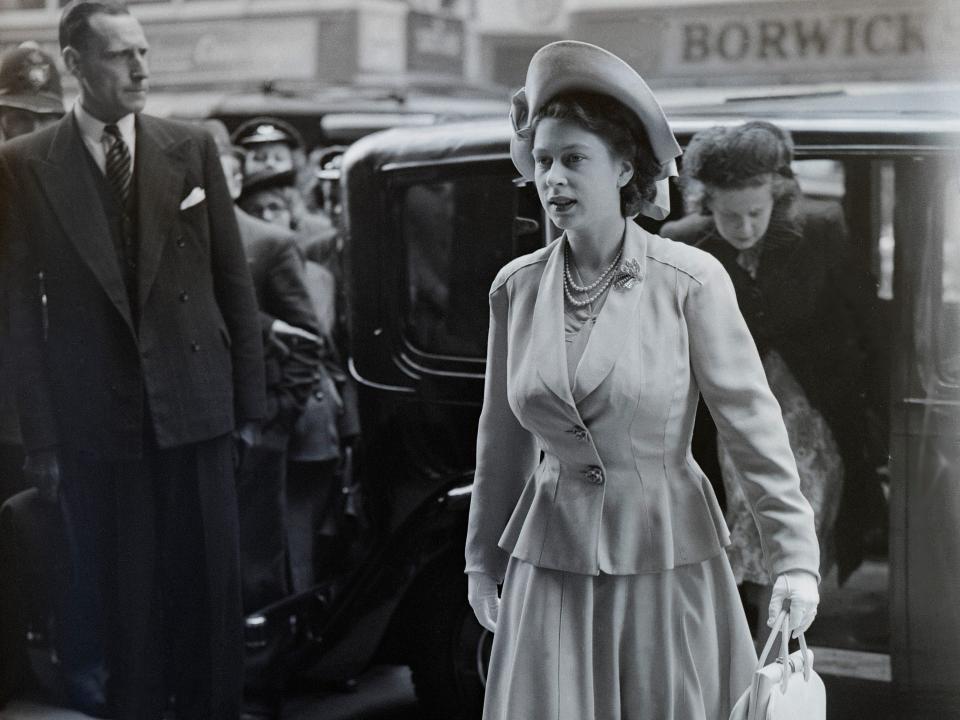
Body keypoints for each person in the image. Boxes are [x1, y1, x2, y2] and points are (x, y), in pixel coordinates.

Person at [464, 41, 821, 720]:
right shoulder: (516, 288)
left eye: (574, 160)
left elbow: (754, 428)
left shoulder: (690, 279)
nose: (553, 179)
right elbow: (501, 439)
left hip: (668, 560)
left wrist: (795, 558)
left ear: (624, 167)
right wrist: (481, 561)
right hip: (551, 567)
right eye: (542, 161)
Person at [0, 3, 265, 719]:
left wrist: (249, 412)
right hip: (99, 426)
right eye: (121, 55)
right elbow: (21, 315)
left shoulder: (190, 147)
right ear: (76, 65)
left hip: (199, 412)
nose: (141, 68)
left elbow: (231, 283)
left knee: (212, 605)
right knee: (126, 611)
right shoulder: (25, 164)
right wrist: (45, 439)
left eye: (144, 51)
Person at [661, 121, 887, 631]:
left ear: (778, 193)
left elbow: (867, 318)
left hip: (811, 409)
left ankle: (775, 642)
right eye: (728, 216)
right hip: (720, 417)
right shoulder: (681, 243)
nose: (743, 228)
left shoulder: (821, 226)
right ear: (704, 202)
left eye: (755, 214)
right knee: (732, 533)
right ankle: (746, 642)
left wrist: (878, 407)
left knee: (792, 529)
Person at [206, 121, 324, 613]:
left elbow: (307, 339)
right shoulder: (170, 239)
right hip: (195, 422)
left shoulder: (269, 242)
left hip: (257, 422)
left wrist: (277, 416)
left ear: (235, 181)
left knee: (256, 554)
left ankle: (264, 663)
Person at [0, 41, 66, 506]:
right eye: (23, 117)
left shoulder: (80, 188)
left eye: (47, 119)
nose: (35, 131)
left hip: (67, 404)